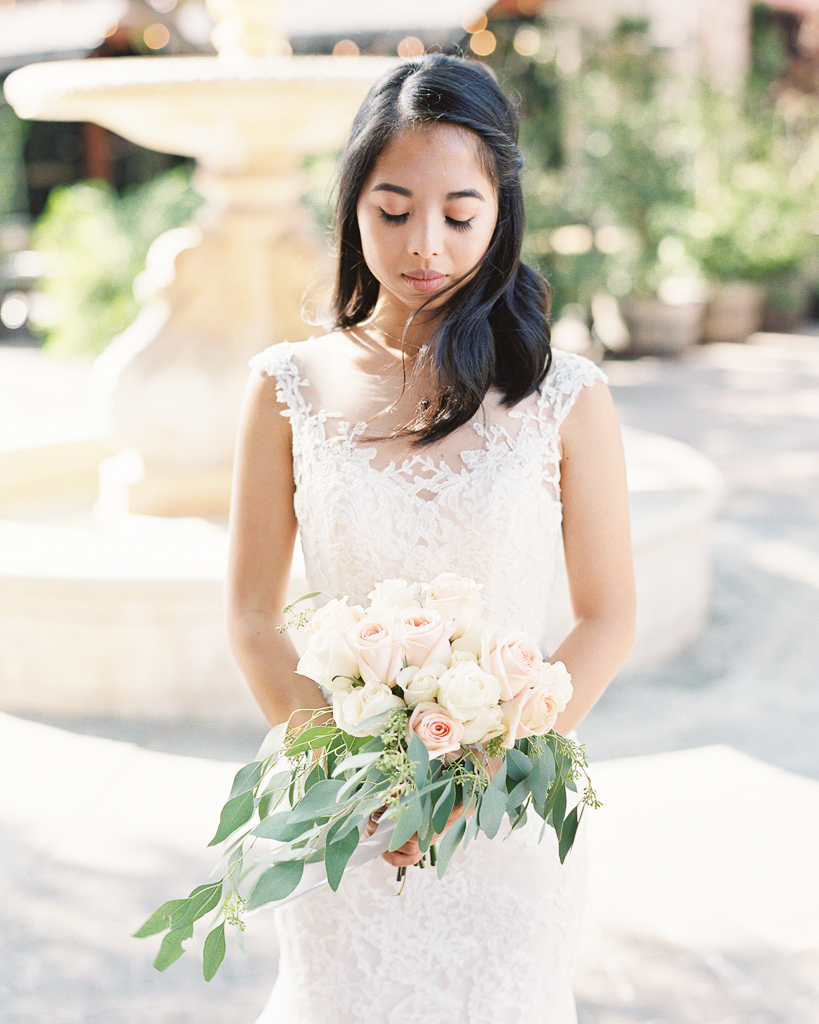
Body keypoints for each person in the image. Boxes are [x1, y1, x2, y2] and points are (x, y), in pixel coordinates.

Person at [227, 53, 635, 1024]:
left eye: (460, 214)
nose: (426, 245)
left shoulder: (564, 396)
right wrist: (348, 770)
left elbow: (608, 615)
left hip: (502, 814)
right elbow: (249, 612)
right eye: (394, 208)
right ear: (352, 203)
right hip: (342, 812)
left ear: (501, 213)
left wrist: (481, 773)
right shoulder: (287, 385)